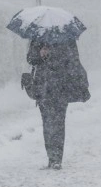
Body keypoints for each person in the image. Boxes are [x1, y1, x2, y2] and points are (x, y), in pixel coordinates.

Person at [27, 39, 90, 170]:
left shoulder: (67, 39)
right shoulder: (37, 38)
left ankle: (57, 159)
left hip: (61, 88)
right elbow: (30, 59)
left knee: (58, 124)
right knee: (46, 124)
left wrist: (52, 55)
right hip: (42, 88)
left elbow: (72, 61)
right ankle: (51, 158)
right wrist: (40, 54)